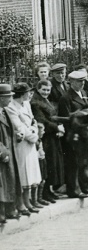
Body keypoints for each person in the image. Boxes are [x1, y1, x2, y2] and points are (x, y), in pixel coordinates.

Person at [6, 83, 42, 213]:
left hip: (31, 142)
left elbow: (33, 122)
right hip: (21, 145)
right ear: (21, 94)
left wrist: (34, 132)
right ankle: (22, 203)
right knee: (24, 172)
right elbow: (19, 127)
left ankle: (31, 201)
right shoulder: (11, 108)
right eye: (27, 92)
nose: (29, 94)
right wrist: (33, 135)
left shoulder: (26, 104)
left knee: (32, 172)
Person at [58, 70, 88, 198]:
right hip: (73, 135)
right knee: (73, 163)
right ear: (71, 82)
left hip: (83, 133)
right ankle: (73, 190)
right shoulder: (66, 98)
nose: (82, 83)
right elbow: (67, 119)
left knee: (82, 162)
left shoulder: (83, 93)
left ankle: (84, 187)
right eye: (79, 81)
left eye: (83, 81)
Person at [30, 79, 65, 202]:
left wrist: (59, 127)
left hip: (52, 136)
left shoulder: (45, 100)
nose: (46, 92)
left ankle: (49, 190)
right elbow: (42, 120)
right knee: (48, 164)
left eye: (48, 90)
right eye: (43, 90)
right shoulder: (35, 102)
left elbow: (53, 116)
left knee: (53, 164)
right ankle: (44, 193)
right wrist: (57, 128)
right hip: (45, 137)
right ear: (38, 89)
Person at [0, 84, 21, 222]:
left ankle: (9, 209)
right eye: (8, 97)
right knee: (1, 183)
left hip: (10, 150)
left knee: (9, 180)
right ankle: (1, 212)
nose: (10, 99)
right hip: (2, 153)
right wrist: (2, 152)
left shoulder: (5, 111)